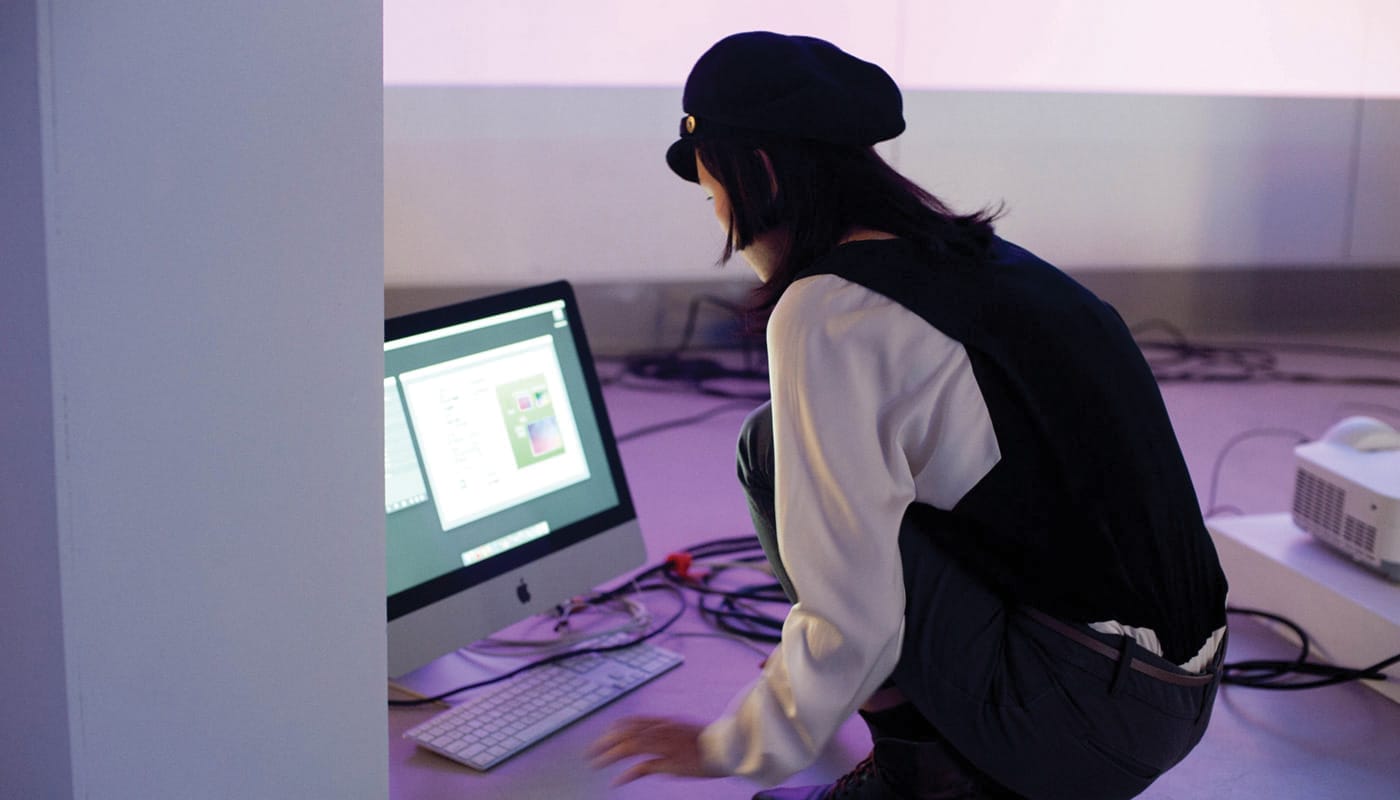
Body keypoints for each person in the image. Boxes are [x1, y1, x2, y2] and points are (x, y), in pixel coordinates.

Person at [589, 31, 1228, 800]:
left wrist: (730, 744)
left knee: (775, 461)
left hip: (1084, 720)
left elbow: (852, 619)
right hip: (1176, 691)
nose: (717, 213)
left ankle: (921, 778)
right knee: (779, 443)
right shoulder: (984, 262)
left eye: (711, 192)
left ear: (758, 172)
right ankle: (941, 753)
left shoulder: (827, 310)